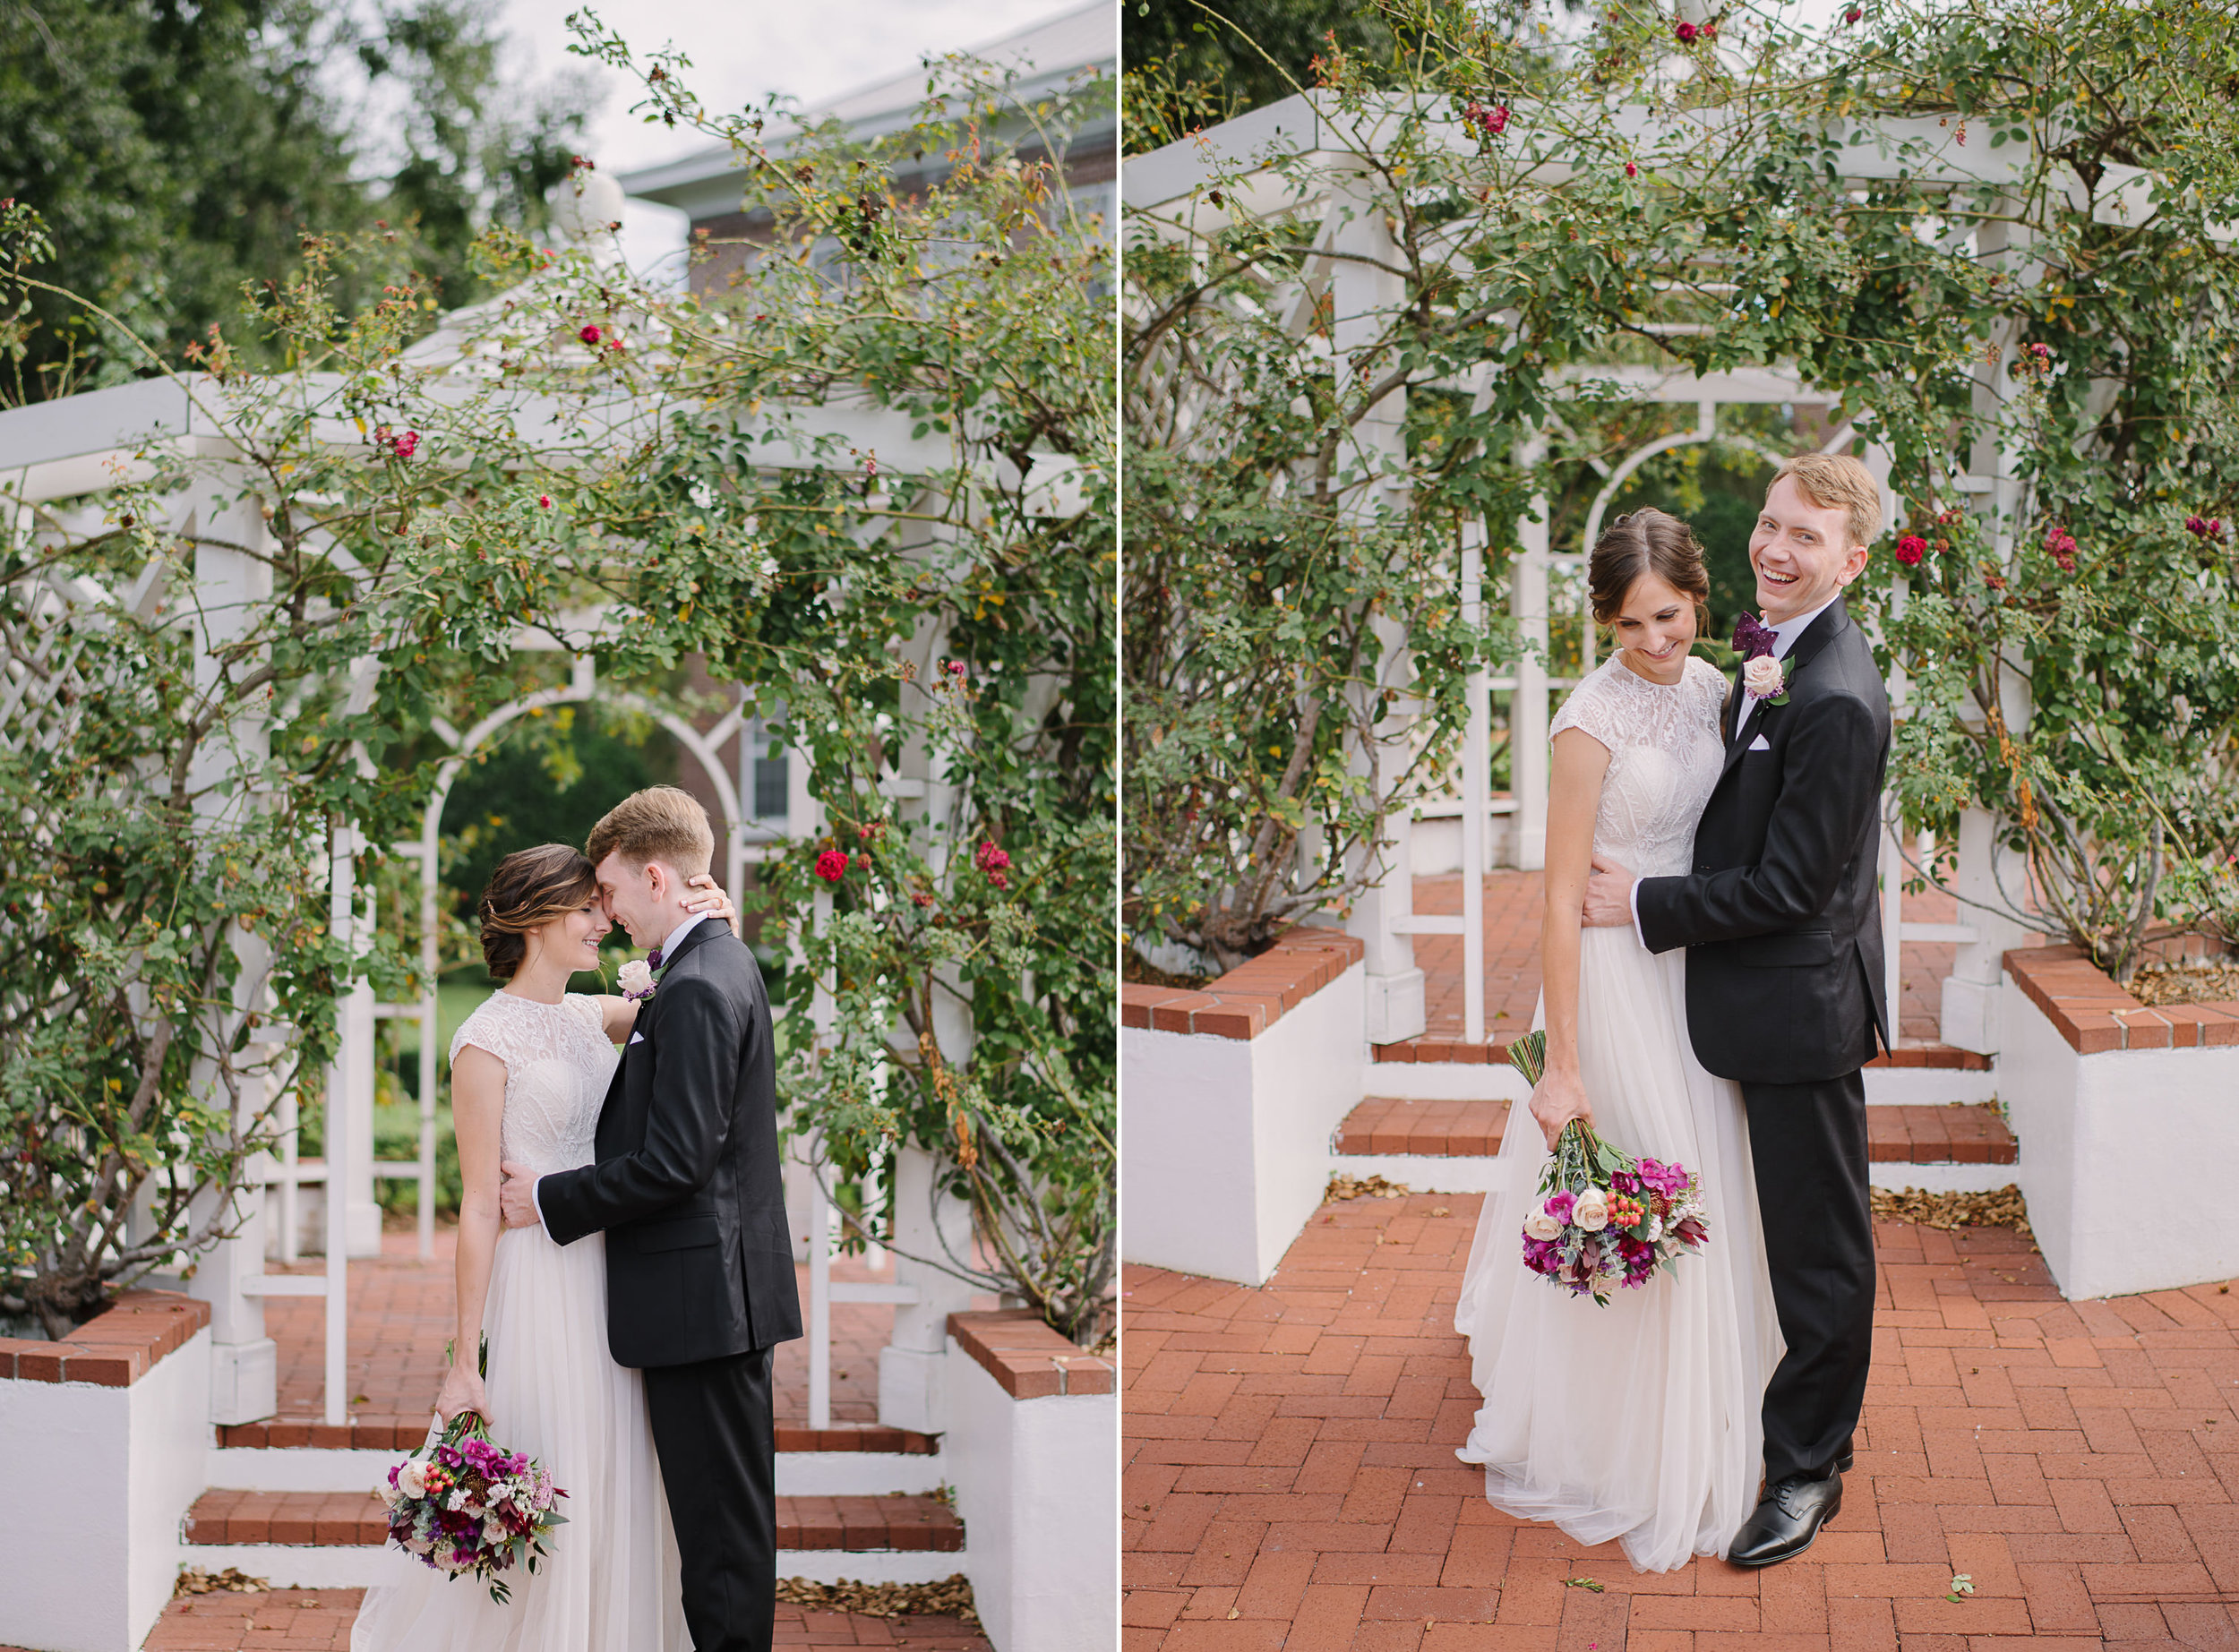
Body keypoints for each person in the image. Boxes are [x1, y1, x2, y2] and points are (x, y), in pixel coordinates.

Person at [1453, 506, 1780, 1572]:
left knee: (1711, 1193)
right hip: (1609, 985)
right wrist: (1563, 1063)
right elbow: (1553, 903)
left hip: (1694, 964)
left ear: (1698, 600)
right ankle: (1619, 1436)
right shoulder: (1585, 723)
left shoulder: (1716, 690)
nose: (1657, 641)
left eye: (1674, 617)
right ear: (1604, 616)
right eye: (1635, 622)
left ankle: (1719, 1409)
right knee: (1643, 1193)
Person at [1583, 455, 1893, 1566]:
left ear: (1850, 560)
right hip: (1741, 998)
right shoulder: (1772, 661)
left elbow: (1792, 889)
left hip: (1798, 1008)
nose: (1775, 547)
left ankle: (1808, 1471)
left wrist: (1644, 902)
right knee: (1781, 1242)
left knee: (1820, 1254)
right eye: (1770, 523)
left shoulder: (1838, 695)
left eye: (1805, 537)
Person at [351, 839, 738, 1649]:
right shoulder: (484, 1040)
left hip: (610, 1271)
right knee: (555, 1474)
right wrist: (465, 1358)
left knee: (613, 1481)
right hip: (537, 1285)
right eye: (586, 906)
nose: (603, 919)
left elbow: (691, 994)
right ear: (534, 919)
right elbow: (478, 1207)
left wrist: (714, 920)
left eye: (604, 903)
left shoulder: (593, 1013)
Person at [498, 785, 803, 1652]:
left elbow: (677, 1163)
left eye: (612, 891)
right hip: (707, 1302)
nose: (608, 909)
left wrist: (549, 1198)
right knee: (718, 1537)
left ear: (659, 876)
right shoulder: (713, 962)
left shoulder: (702, 983)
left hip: (705, 1308)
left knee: (721, 1550)